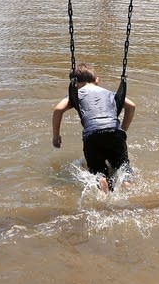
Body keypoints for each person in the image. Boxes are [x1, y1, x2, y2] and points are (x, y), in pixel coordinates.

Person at [52, 63, 135, 193]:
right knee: (122, 167)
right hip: (115, 132)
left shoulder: (77, 94)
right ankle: (127, 185)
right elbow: (131, 106)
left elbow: (58, 109)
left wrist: (56, 136)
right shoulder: (110, 94)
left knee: (98, 171)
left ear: (74, 83)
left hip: (92, 136)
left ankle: (102, 181)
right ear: (97, 80)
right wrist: (123, 130)